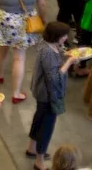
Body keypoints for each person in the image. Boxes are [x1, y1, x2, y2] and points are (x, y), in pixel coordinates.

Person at [27, 21, 71, 169]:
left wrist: (65, 55)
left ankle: (32, 148)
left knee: (38, 119)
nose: (66, 37)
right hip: (48, 95)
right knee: (46, 127)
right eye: (64, 35)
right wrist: (69, 62)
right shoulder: (48, 53)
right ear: (56, 36)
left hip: (41, 93)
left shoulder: (46, 45)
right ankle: (39, 161)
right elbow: (55, 77)